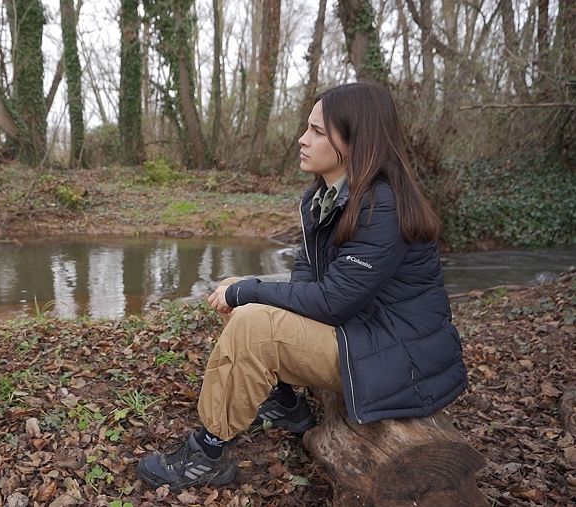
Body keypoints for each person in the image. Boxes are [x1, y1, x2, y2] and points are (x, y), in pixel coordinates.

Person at [136, 82, 468, 491]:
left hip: (401, 356)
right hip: (362, 334)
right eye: (307, 128)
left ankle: (207, 454)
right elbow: (306, 281)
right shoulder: (324, 199)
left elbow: (331, 301)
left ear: (355, 142)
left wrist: (249, 290)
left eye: (317, 131)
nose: (302, 139)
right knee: (245, 300)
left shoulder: (382, 206)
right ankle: (286, 402)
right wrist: (247, 291)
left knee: (253, 323)